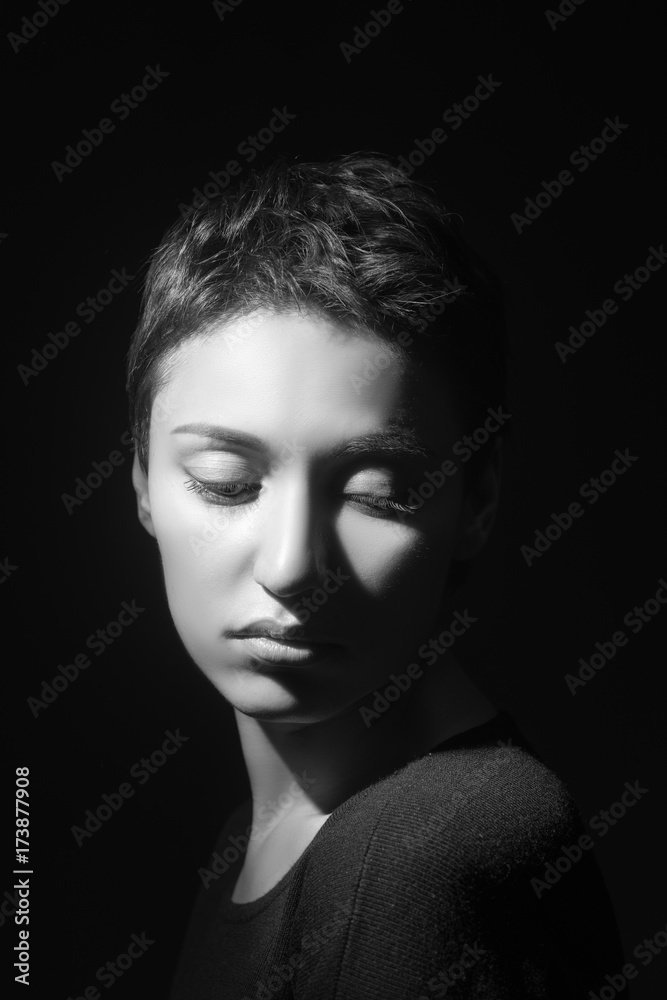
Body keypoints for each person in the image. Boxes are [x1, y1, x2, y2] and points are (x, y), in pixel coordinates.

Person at [126, 153, 624, 998]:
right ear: (142, 480)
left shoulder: (421, 859)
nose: (291, 567)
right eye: (226, 483)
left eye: (374, 493)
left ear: (476, 498)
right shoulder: (252, 842)